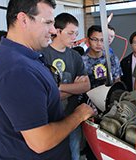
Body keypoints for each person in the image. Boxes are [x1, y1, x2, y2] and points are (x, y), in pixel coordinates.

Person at [0, 0, 94, 159]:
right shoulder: (17, 69)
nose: (53, 30)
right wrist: (79, 114)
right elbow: (40, 141)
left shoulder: (21, 57)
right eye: (48, 23)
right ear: (23, 20)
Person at [40, 12, 90, 160]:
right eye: (70, 33)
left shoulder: (75, 56)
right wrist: (74, 88)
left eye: (76, 33)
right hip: (49, 121)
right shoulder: (43, 54)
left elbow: (86, 85)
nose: (74, 37)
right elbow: (46, 94)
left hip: (72, 117)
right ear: (58, 31)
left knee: (74, 154)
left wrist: (59, 87)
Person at [82, 25, 122, 89]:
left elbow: (117, 80)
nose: (99, 43)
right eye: (95, 40)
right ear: (88, 40)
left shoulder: (112, 58)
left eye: (102, 40)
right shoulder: (81, 61)